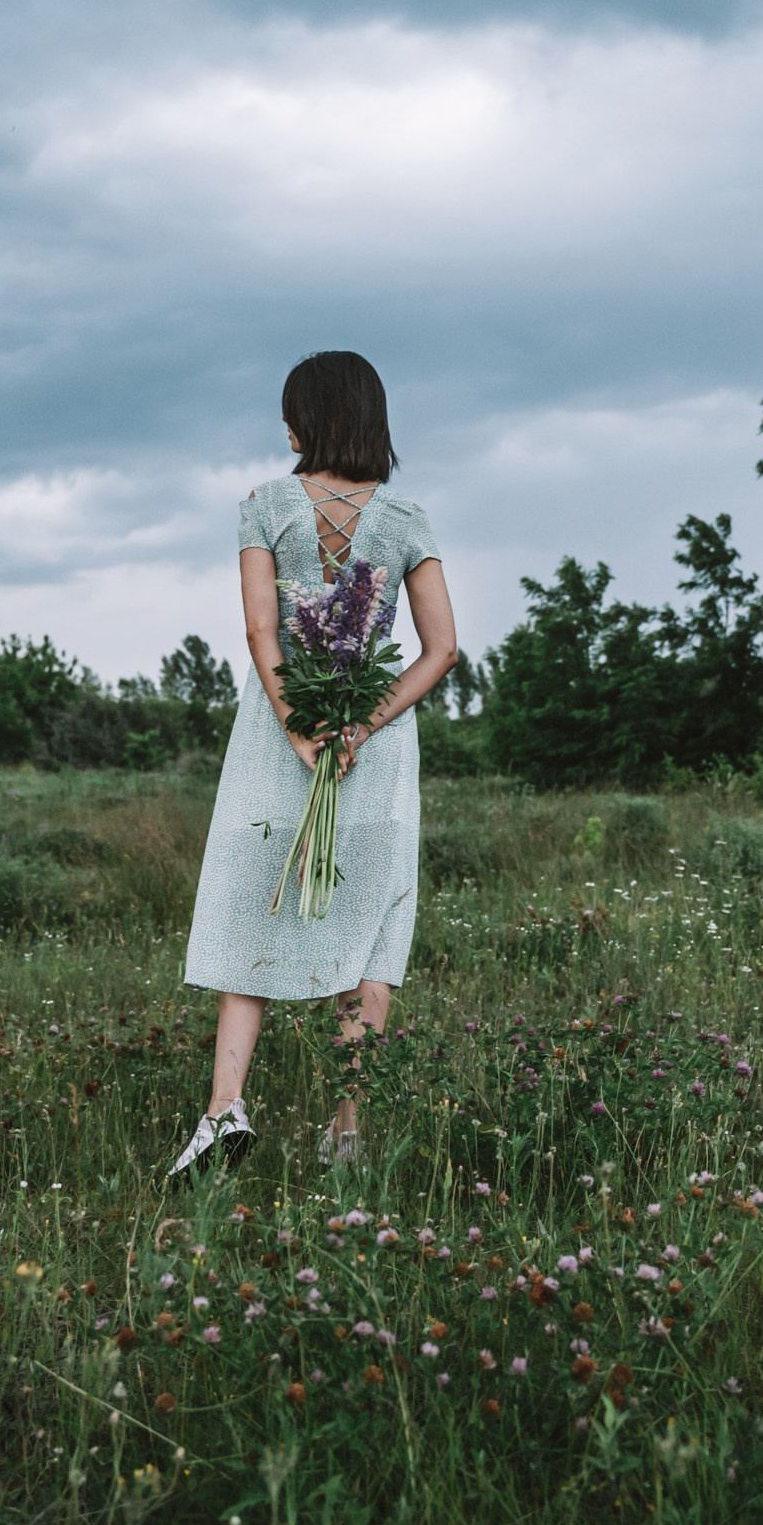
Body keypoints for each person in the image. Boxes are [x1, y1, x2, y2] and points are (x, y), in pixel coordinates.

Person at [167, 351, 458, 1177]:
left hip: (276, 738)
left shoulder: (264, 505)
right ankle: (347, 1130)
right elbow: (442, 649)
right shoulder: (406, 517)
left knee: (245, 910)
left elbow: (262, 631)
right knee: (368, 928)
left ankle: (224, 1113)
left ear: (311, 419)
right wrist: (362, 722)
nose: (285, 427)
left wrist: (299, 727)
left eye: (291, 411)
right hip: (377, 746)